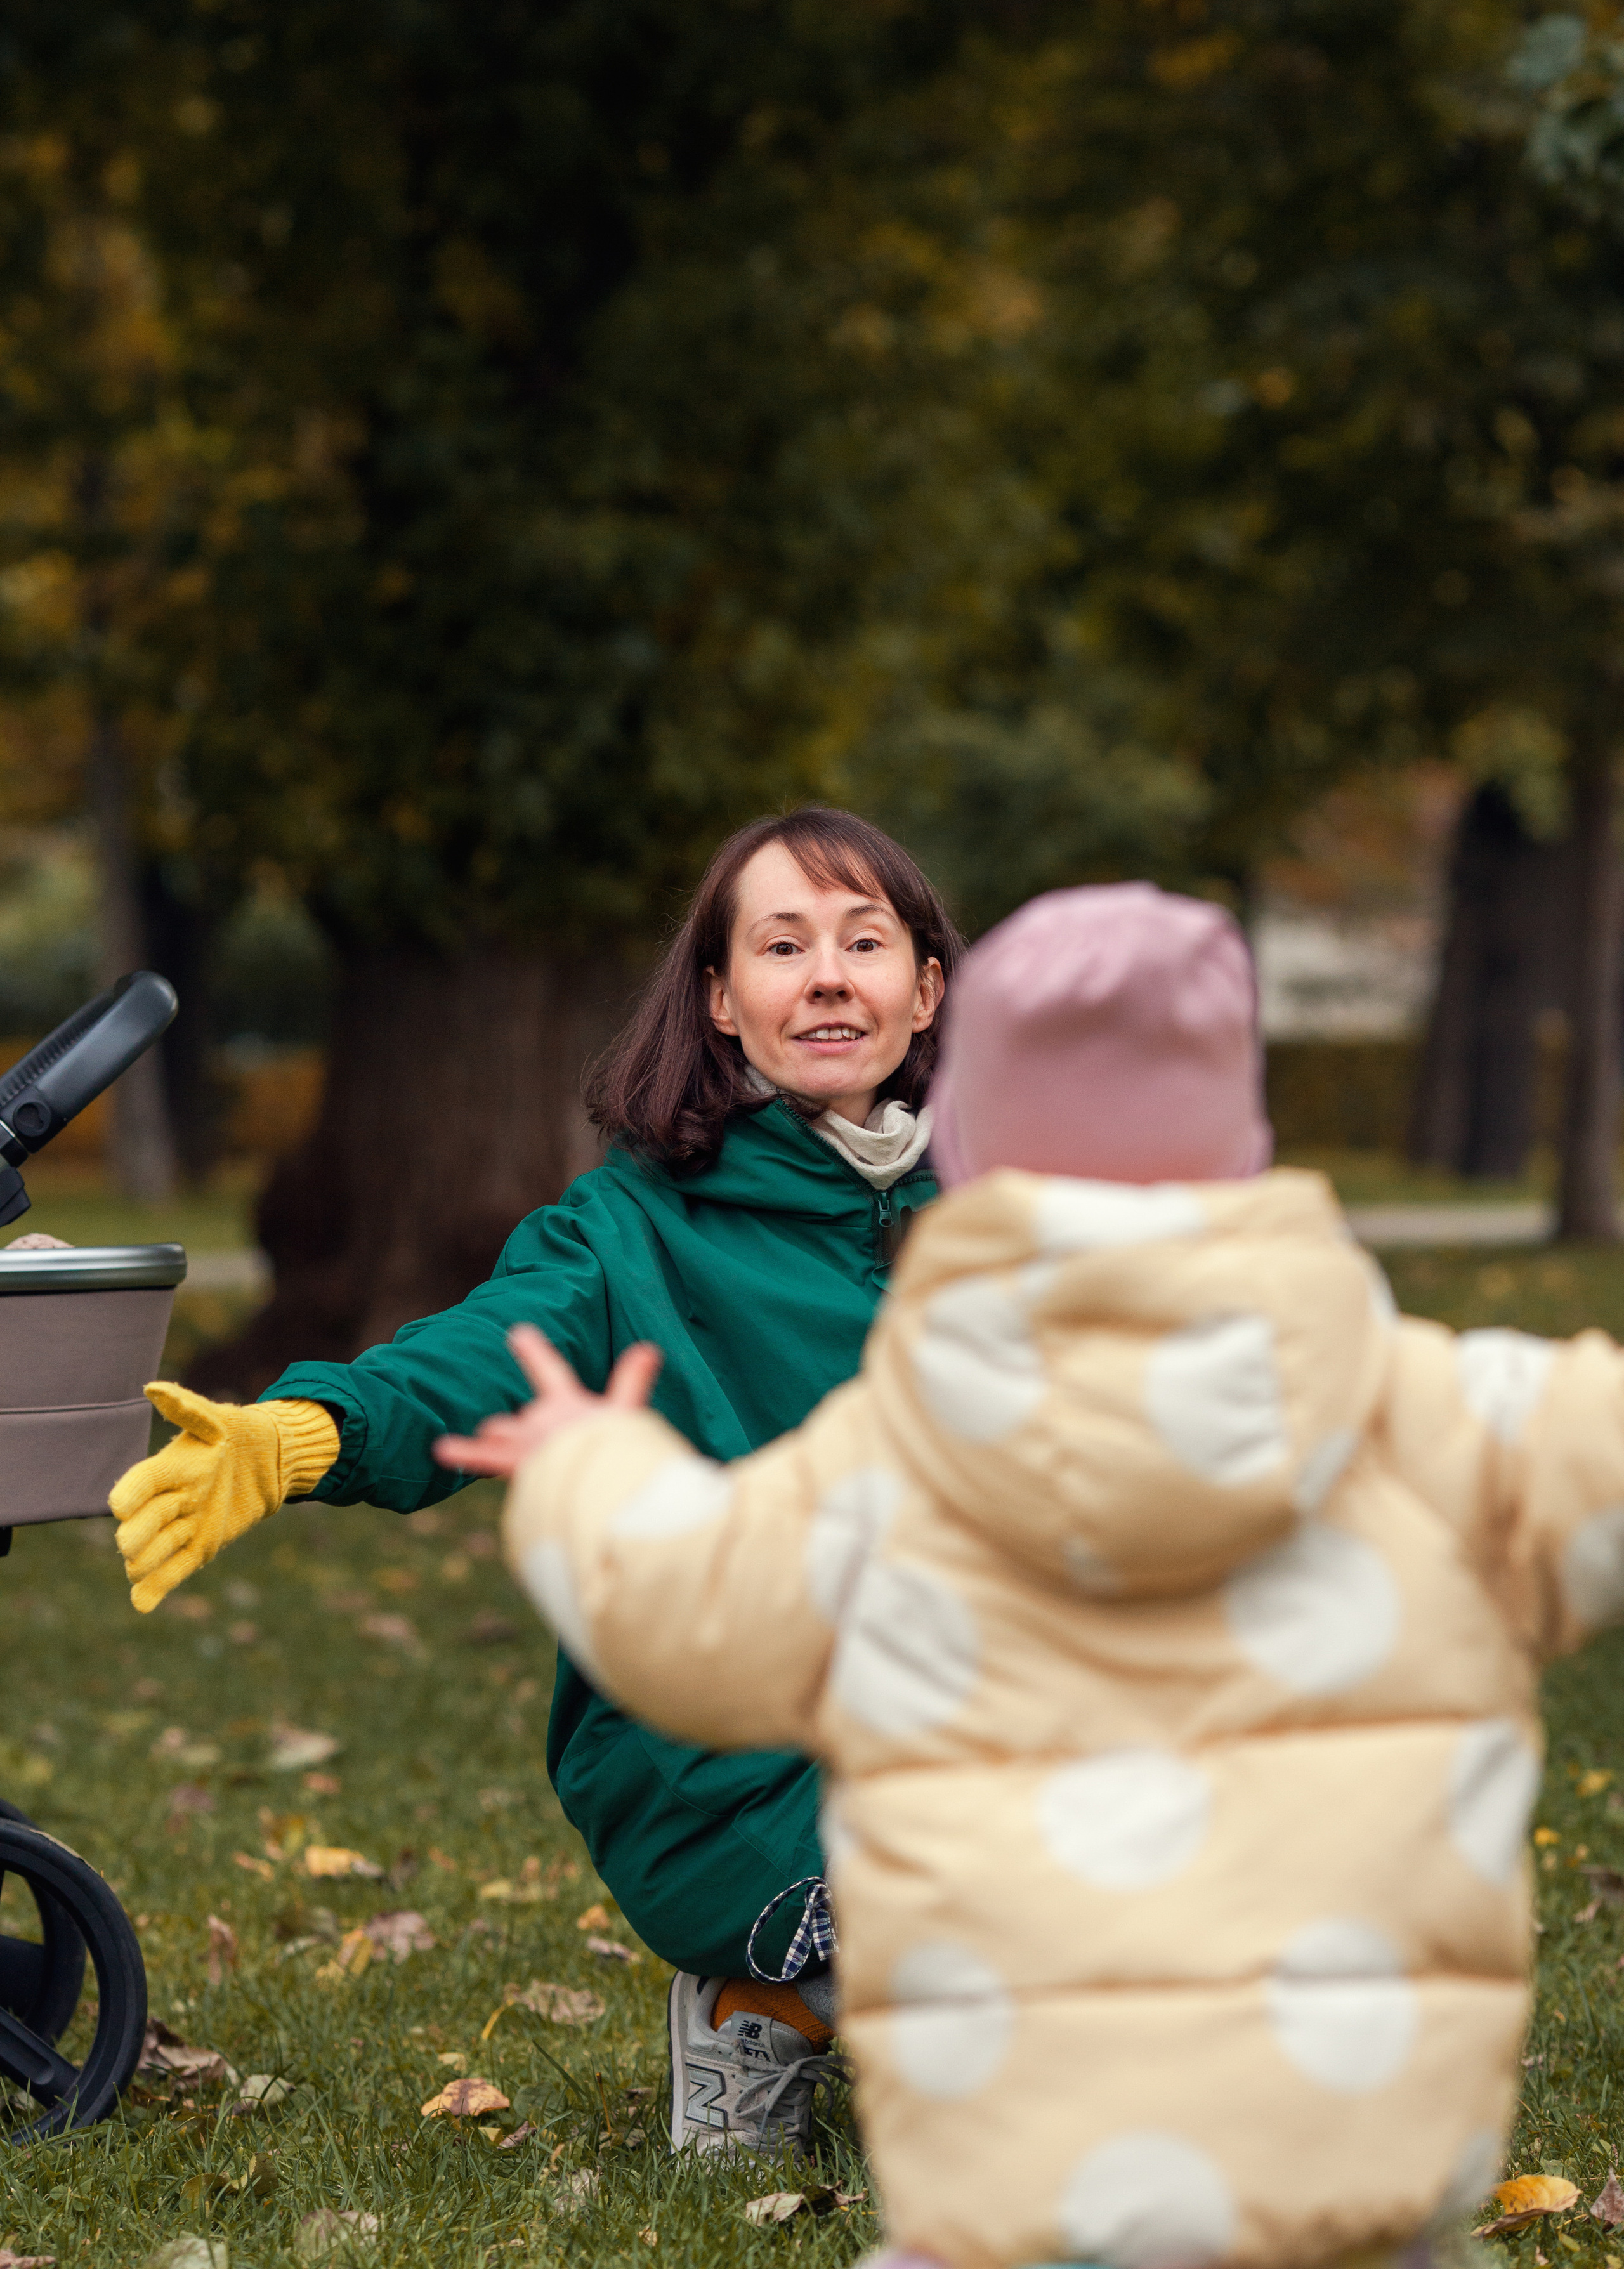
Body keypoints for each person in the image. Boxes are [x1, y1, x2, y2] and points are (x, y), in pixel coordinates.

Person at [438, 877, 1624, 2269]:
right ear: (1241, 1132)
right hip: (1354, 2179)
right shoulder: (1434, 1415)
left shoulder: (896, 1459)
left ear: (971, 1133)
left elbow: (673, 1601)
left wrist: (588, 1471)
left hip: (1008, 2190)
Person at [107, 806, 962, 2161]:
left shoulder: (1000, 1231)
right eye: (782, 945)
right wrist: (299, 1435)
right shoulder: (627, 1231)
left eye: (865, 943)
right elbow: (469, 1363)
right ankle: (765, 1997)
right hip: (721, 1752)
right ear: (720, 1000)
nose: (827, 979)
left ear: (924, 988)